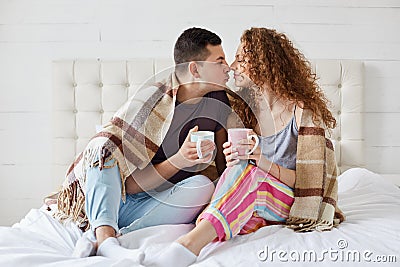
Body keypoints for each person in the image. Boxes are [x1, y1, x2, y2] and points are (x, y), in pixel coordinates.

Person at [142, 27, 345, 267]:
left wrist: (260, 161)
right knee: (240, 175)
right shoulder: (243, 109)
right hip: (253, 196)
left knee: (252, 177)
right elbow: (234, 170)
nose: (232, 66)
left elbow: (310, 183)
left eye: (241, 59)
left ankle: (189, 245)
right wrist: (232, 160)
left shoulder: (302, 112)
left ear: (264, 64)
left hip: (291, 200)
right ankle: (214, 224)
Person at [50, 27, 232, 264]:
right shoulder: (152, 103)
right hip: (117, 197)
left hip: (157, 204)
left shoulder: (218, 101)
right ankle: (104, 235)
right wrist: (180, 160)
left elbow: (223, 169)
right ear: (195, 69)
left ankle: (108, 239)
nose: (228, 67)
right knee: (103, 148)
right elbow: (131, 186)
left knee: (203, 186)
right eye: (220, 61)